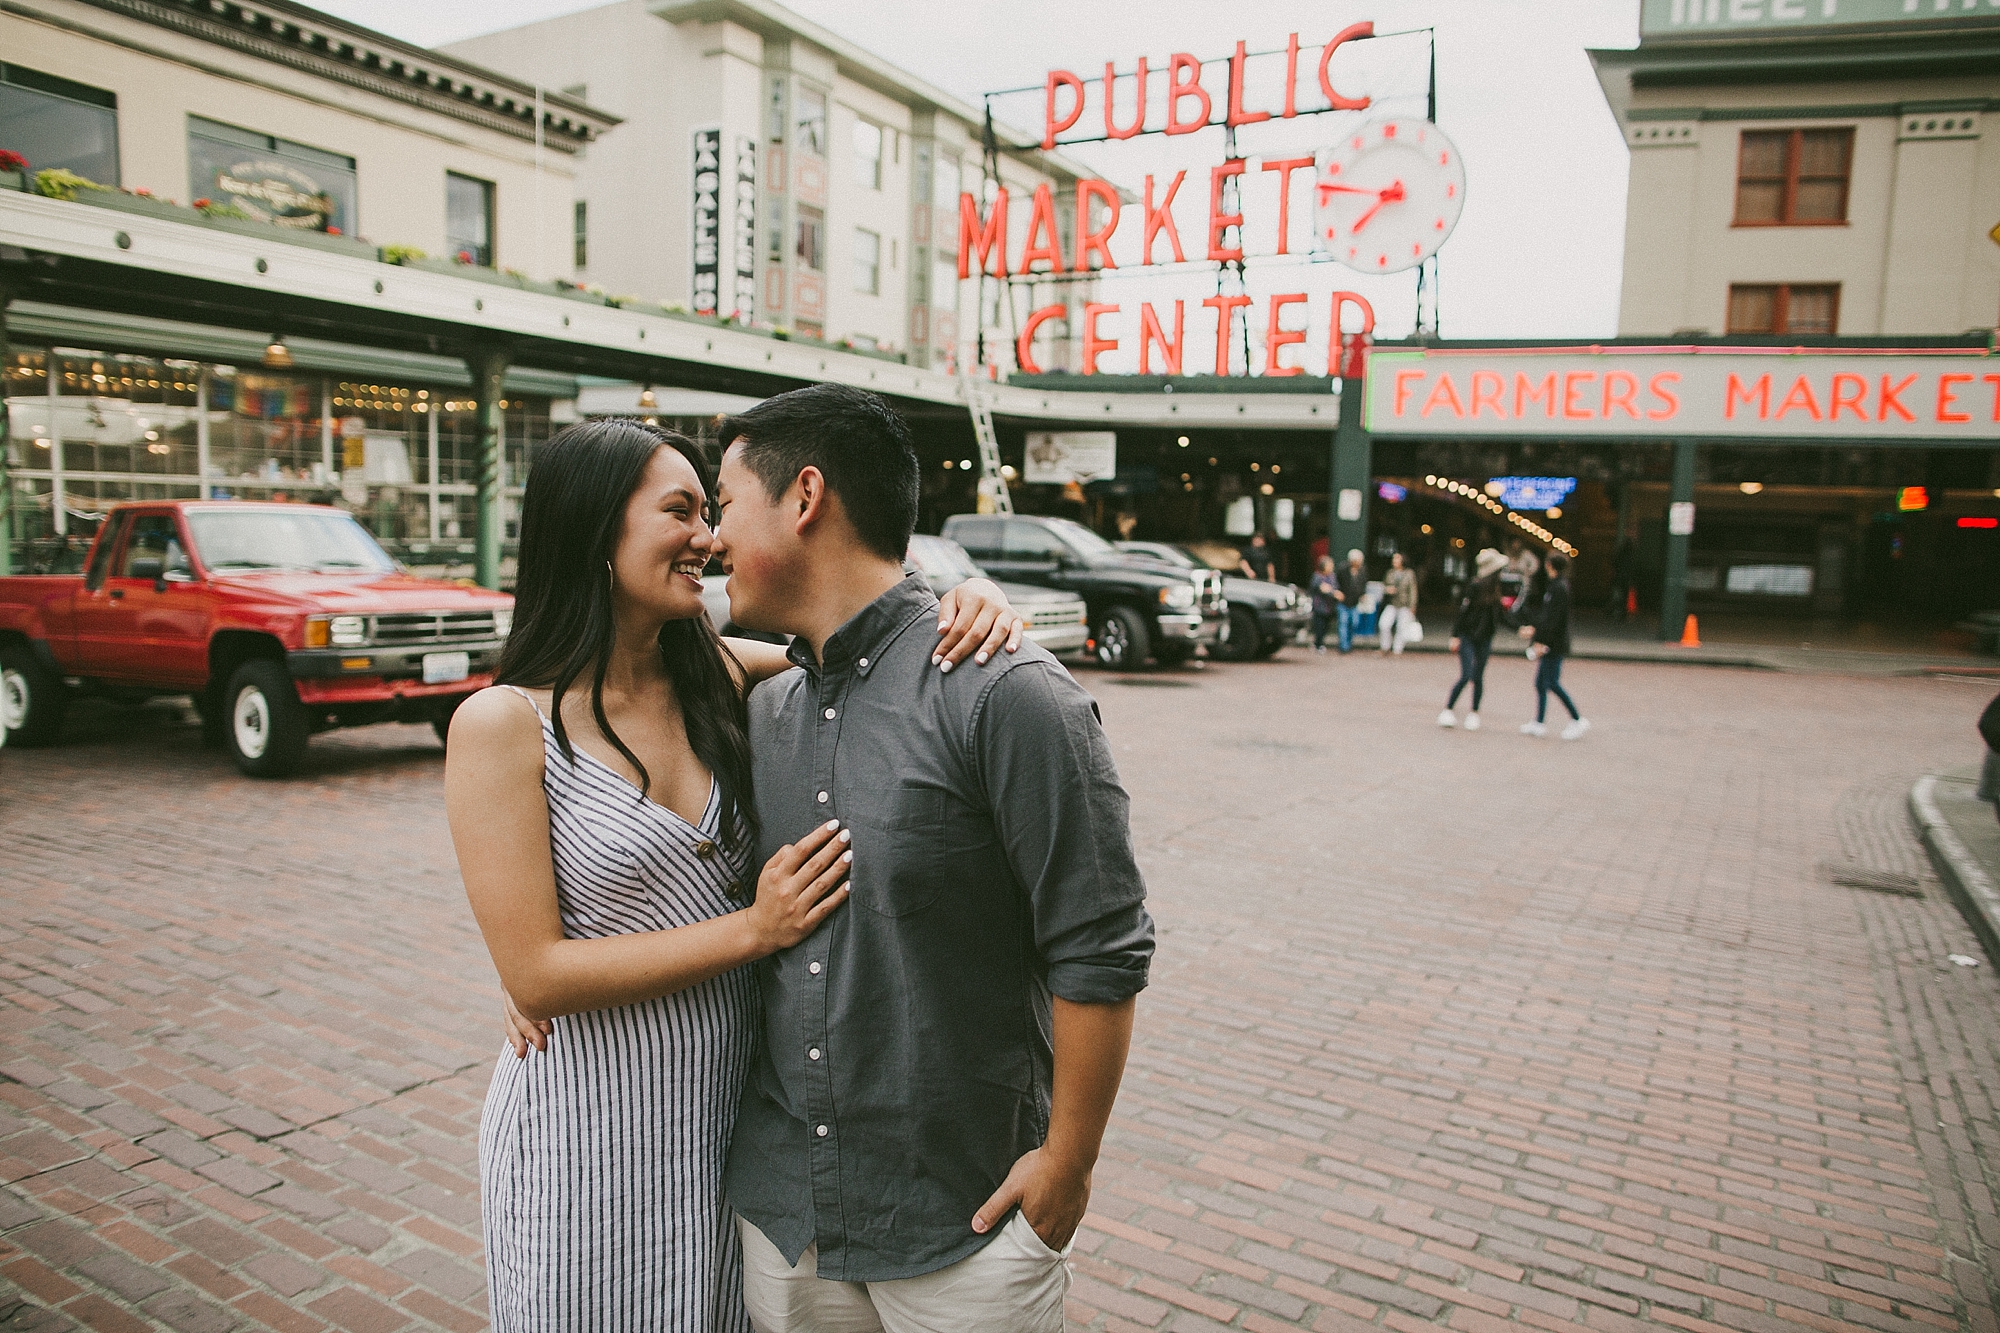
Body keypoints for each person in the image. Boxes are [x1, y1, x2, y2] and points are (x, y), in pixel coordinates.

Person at [446, 418, 1026, 1332]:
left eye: (710, 511)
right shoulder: (502, 724)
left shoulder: (720, 674)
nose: (709, 537)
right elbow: (535, 972)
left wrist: (971, 594)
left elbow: (865, 653)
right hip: (588, 1131)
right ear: (596, 530)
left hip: (725, 1137)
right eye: (680, 511)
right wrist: (753, 929)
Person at [710, 384, 1155, 1333]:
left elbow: (1101, 949)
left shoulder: (1011, 697)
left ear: (804, 498)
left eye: (724, 504)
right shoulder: (763, 709)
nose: (712, 537)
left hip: (968, 1221)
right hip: (789, 1220)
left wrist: (1066, 1163)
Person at [1517, 550, 1589, 740]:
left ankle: (1576, 719)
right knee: (1542, 683)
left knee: (1551, 683)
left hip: (1554, 644)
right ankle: (1539, 722)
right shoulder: (1558, 586)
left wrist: (1540, 640)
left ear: (1549, 565)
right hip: (1553, 642)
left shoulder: (1558, 588)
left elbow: (1553, 620)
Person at [1439, 547, 1507, 730]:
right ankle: (1448, 709)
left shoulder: (1495, 590)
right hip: (1468, 635)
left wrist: (1520, 626)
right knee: (1466, 674)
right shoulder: (1475, 586)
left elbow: (1500, 615)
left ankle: (1474, 712)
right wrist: (1455, 635)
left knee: (1478, 676)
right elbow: (1463, 613)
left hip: (1485, 637)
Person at [1378, 552, 1418, 656]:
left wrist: (1412, 605)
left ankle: (1397, 649)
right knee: (1384, 624)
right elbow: (1383, 586)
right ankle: (1385, 646)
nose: (1394, 561)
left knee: (1401, 628)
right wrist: (1387, 590)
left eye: (1397, 559)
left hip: (1404, 604)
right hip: (1392, 603)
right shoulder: (1390, 573)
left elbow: (1413, 590)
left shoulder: (1409, 573)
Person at [1334, 548, 1368, 654]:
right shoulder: (1342, 569)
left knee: (1354, 623)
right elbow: (1336, 582)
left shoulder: (1362, 570)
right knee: (1343, 623)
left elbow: (1363, 584)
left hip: (1355, 602)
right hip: (1343, 602)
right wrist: (1338, 592)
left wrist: (1362, 594)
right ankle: (1344, 646)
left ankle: (1348, 643)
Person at [1308, 555, 1340, 654]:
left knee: (1326, 626)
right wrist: (1332, 591)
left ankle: (1319, 643)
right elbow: (1321, 588)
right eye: (1329, 565)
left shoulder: (1332, 576)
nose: (1331, 567)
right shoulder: (1317, 576)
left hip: (1329, 607)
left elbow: (1334, 587)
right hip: (1319, 606)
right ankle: (1318, 644)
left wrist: (1331, 590)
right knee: (1319, 626)